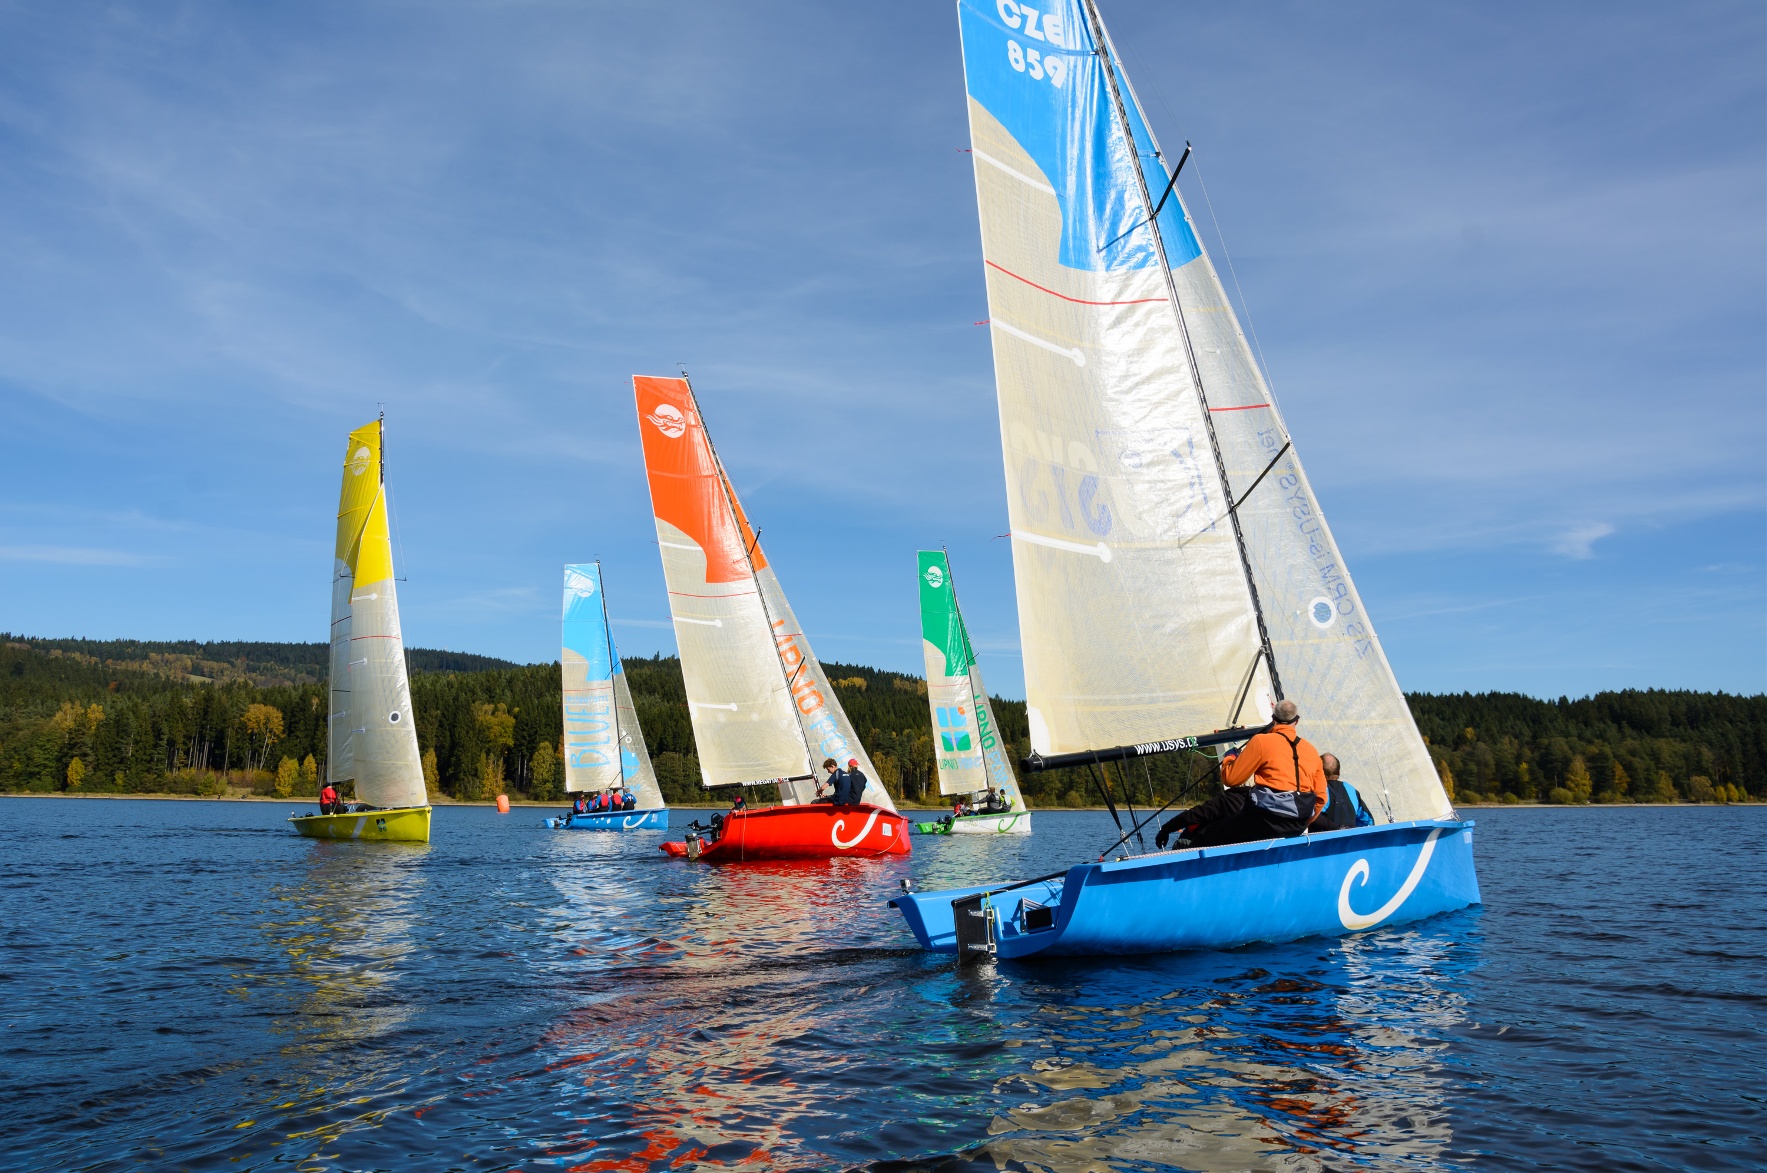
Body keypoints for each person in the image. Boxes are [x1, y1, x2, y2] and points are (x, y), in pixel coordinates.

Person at [1155, 699, 1327, 849]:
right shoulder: (1311, 750)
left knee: (1208, 833)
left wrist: (1229, 759)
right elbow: (1321, 798)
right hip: (1297, 823)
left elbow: (1231, 779)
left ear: (1273, 719)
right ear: (1296, 721)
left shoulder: (1261, 741)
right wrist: (1304, 824)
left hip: (1265, 820)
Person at [1309, 753, 1376, 831]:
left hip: (1322, 841)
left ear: (1319, 772)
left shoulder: (1316, 789)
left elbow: (1306, 813)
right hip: (1350, 840)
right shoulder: (1351, 790)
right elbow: (1368, 821)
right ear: (1339, 773)